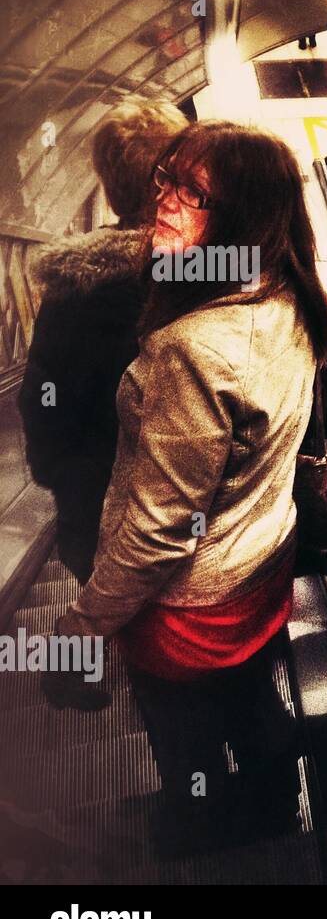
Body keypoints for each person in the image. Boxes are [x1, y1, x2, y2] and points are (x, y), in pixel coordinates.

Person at [39, 121, 327, 854]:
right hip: (260, 570)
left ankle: (193, 829)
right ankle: (273, 807)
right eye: (166, 181)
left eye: (194, 194)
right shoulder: (290, 299)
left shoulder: (190, 350)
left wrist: (79, 629)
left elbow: (157, 531)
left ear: (240, 217)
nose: (165, 203)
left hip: (186, 608)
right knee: (249, 697)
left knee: (184, 735)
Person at [18, 97, 189, 585]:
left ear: (110, 190)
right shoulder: (219, 273)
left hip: (101, 534)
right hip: (211, 542)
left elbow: (42, 402)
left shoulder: (72, 289)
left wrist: (74, 487)